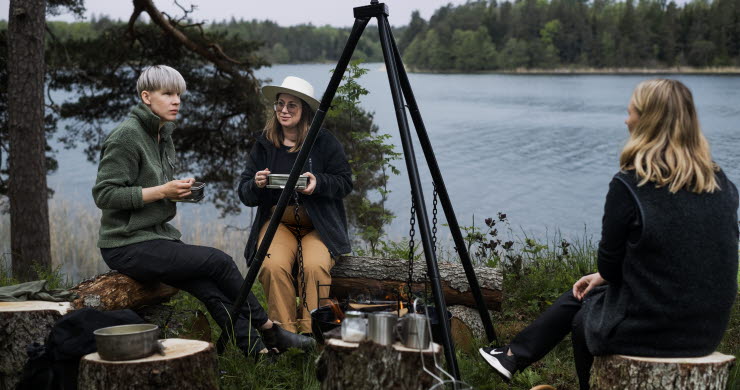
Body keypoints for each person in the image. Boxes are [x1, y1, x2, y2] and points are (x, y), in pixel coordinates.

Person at [479, 79, 738, 389]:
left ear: (646, 122)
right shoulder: (720, 182)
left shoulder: (630, 184)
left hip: (652, 332)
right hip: (705, 331)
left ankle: (516, 358)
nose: (626, 120)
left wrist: (605, 275)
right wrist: (604, 276)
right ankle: (512, 356)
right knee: (588, 297)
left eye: (630, 113)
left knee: (581, 318)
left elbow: (613, 268)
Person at [92, 65, 314, 358]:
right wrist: (163, 192)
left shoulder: (162, 134)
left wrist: (177, 191)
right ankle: (270, 327)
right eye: (167, 94)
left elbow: (149, 188)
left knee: (209, 288)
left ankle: (258, 353)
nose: (176, 101)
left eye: (179, 95)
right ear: (146, 97)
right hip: (126, 245)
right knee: (219, 262)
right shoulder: (126, 137)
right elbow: (104, 195)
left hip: (156, 238)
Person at [238, 76, 352, 334]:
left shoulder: (323, 141)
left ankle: (313, 332)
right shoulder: (264, 143)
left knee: (314, 267)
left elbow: (345, 182)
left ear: (305, 111)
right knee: (270, 265)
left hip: (318, 225)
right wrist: (256, 183)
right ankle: (285, 334)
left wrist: (319, 183)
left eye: (292, 105)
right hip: (279, 222)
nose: (284, 110)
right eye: (280, 104)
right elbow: (244, 194)